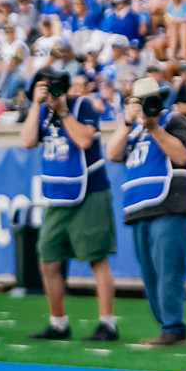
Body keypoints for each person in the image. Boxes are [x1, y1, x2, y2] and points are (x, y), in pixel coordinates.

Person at [19, 69, 117, 343]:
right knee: (48, 259)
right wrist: (36, 105)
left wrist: (63, 112)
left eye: (55, 87)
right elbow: (27, 141)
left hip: (90, 192)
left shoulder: (81, 104)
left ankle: (108, 324)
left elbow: (84, 140)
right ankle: (58, 323)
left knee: (97, 258)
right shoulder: (40, 110)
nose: (53, 93)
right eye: (46, 88)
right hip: (58, 196)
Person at [104, 76, 186, 347]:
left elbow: (182, 156)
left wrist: (154, 127)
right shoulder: (132, 129)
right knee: (150, 273)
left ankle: (173, 327)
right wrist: (127, 122)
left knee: (168, 269)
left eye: (149, 101)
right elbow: (112, 154)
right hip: (139, 208)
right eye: (138, 102)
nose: (145, 106)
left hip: (169, 204)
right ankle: (166, 326)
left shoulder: (174, 121)